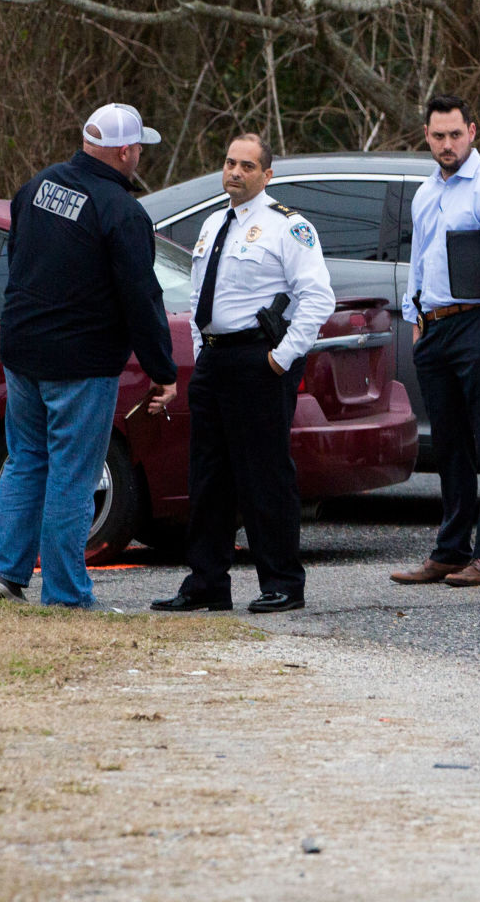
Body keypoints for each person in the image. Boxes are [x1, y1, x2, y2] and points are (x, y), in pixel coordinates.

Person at [0, 103, 179, 608]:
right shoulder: (122, 212)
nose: (138, 158)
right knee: (74, 472)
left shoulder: (37, 187)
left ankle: (3, 571)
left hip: (22, 348)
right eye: (138, 150)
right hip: (81, 361)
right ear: (126, 151)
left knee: (26, 460)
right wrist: (162, 370)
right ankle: (67, 592)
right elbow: (142, 296)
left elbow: (20, 259)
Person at [151, 134, 334, 614]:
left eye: (247, 166)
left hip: (258, 361)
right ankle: (207, 581)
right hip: (214, 360)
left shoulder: (287, 228)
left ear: (266, 175)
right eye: (230, 163)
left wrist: (282, 357)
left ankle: (282, 582)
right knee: (208, 476)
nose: (235, 172)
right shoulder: (213, 224)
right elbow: (198, 298)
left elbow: (317, 298)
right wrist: (198, 349)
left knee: (265, 476)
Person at [389, 95, 480, 588]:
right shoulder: (427, 192)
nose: (447, 144)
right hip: (435, 327)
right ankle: (450, 550)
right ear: (426, 136)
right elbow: (420, 257)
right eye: (438, 135)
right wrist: (415, 319)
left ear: (472, 132)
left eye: (455, 134)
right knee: (449, 445)